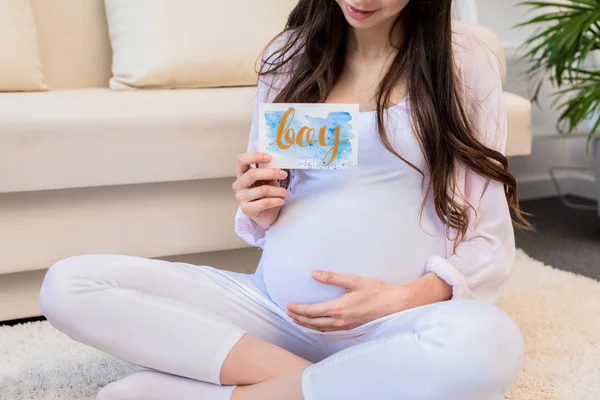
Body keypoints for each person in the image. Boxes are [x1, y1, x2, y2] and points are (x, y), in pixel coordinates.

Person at [38, 1, 533, 399]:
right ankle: (337, 381)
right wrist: (259, 204)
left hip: (395, 323)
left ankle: (247, 394)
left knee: (489, 342)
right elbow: (272, 199)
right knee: (69, 285)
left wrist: (398, 298)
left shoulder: (462, 64)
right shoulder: (291, 55)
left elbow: (489, 237)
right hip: (274, 312)